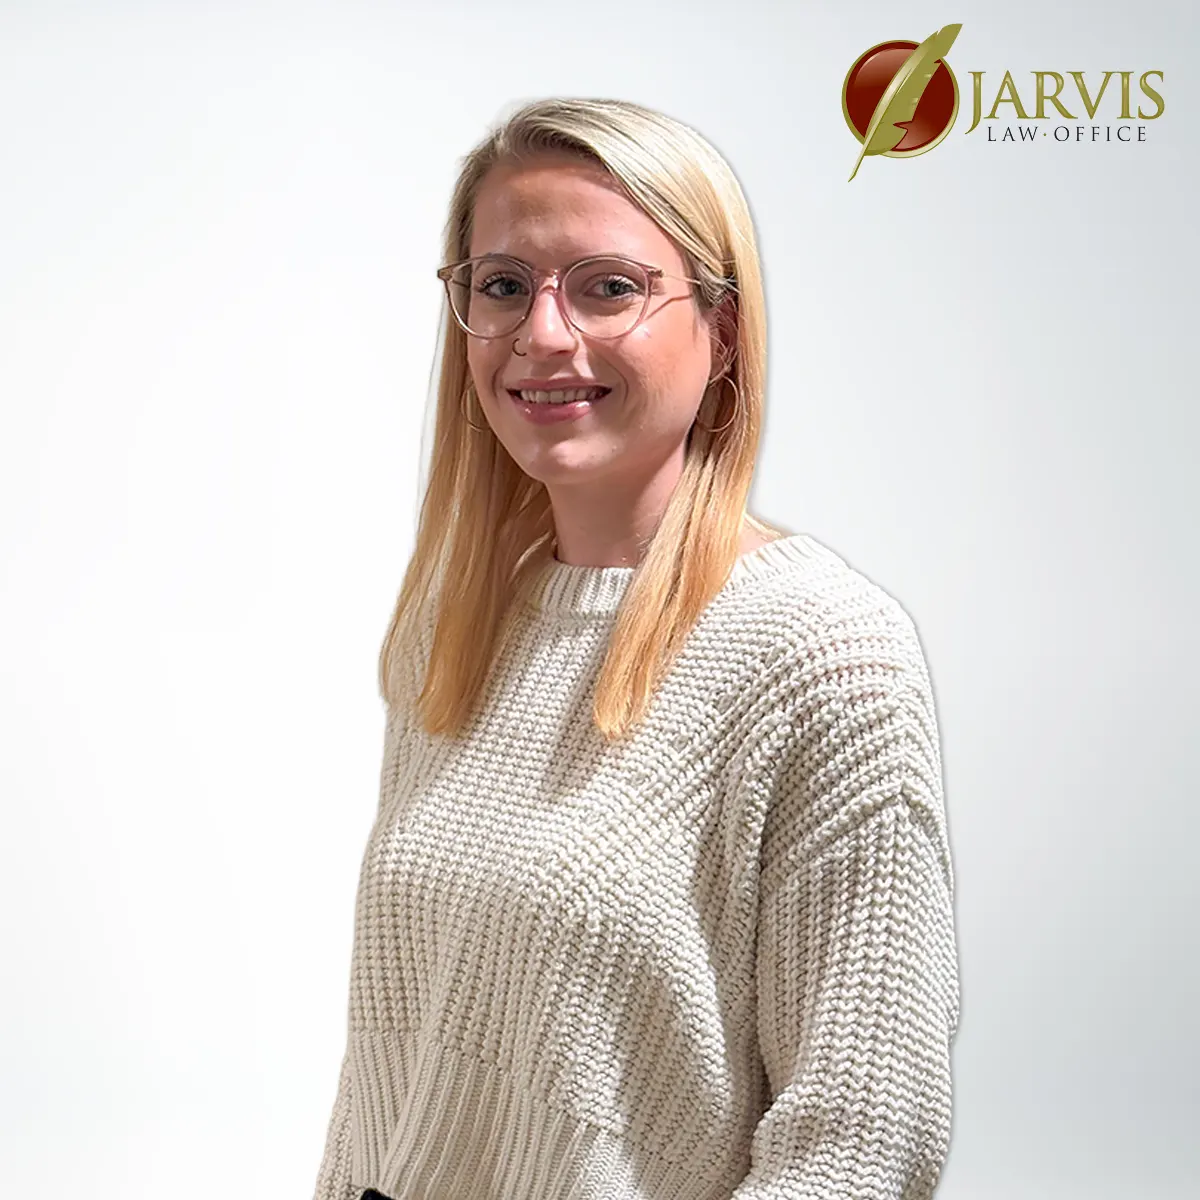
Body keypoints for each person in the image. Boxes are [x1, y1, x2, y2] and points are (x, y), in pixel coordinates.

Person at [310, 96, 960, 1200]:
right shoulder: (457, 621)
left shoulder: (825, 656)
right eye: (502, 286)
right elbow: (390, 1079)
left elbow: (863, 1136)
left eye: (607, 286)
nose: (543, 335)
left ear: (722, 330)